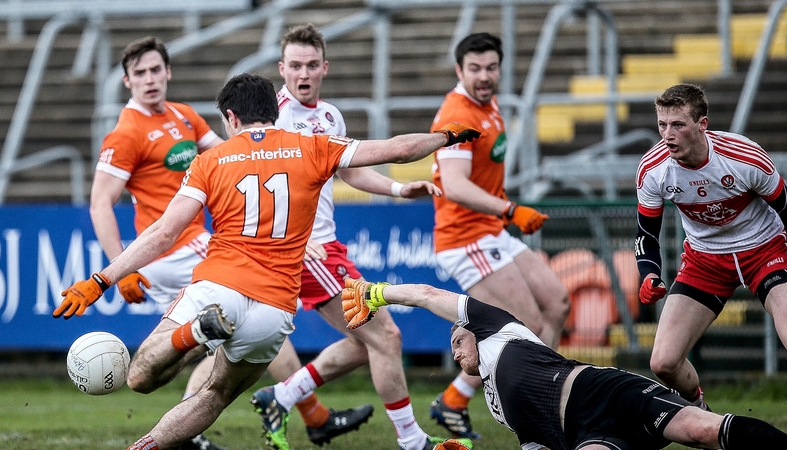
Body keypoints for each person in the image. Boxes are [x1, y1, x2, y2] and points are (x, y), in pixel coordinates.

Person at [53, 73, 479, 450]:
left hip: (220, 285)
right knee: (216, 395)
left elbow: (164, 232)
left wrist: (101, 280)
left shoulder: (210, 160)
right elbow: (398, 149)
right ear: (276, 111)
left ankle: (196, 332)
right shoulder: (314, 146)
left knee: (140, 377)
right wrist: (445, 137)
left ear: (231, 117)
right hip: (274, 309)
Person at [250, 23, 465, 450]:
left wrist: (398, 188)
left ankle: (282, 396)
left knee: (365, 342)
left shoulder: (330, 116)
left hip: (325, 246)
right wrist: (294, 239)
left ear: (325, 67)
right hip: (306, 250)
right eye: (295, 65)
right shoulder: (273, 119)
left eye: (312, 65)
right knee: (386, 337)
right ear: (282, 68)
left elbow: (349, 172)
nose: (304, 73)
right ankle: (412, 441)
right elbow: (254, 183)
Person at [341, 278, 787, 450]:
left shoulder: (499, 329)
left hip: (603, 392)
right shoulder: (498, 408)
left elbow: (427, 295)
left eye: (458, 341)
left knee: (702, 432)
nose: (456, 353)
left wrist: (378, 293)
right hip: (583, 435)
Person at [428, 32, 570, 438]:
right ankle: (538, 403)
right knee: (525, 324)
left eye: (491, 67)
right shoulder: (457, 114)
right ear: (459, 70)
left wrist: (505, 212)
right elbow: (455, 185)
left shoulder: (488, 104)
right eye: (474, 68)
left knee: (557, 304)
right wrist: (510, 209)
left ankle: (456, 399)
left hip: (490, 231)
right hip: (465, 238)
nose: (484, 76)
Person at [90, 36, 227, 450]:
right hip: (177, 248)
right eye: (140, 73)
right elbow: (100, 204)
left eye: (155, 70)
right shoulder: (126, 133)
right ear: (127, 81)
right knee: (257, 314)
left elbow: (229, 157)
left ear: (168, 71)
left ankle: (186, 429)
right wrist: (120, 269)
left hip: (182, 248)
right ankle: (308, 409)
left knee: (220, 340)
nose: (149, 79)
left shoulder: (184, 115)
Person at [635, 83, 787, 409]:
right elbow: (646, 235)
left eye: (678, 125)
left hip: (764, 251)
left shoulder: (744, 157)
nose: (667, 135)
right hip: (705, 262)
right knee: (663, 363)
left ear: (702, 124)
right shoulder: (653, 170)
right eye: (662, 125)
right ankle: (702, 413)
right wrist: (648, 274)